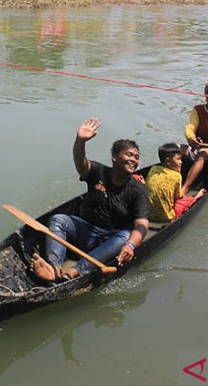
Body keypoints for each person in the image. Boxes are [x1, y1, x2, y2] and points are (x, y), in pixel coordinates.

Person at [30, 118, 150, 283]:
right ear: (114, 157)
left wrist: (130, 246)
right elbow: (80, 162)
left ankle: (74, 271)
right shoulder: (98, 172)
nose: (134, 160)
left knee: (126, 237)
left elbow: (142, 226)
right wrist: (80, 141)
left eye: (136, 157)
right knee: (58, 219)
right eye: (129, 154)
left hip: (112, 239)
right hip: (86, 231)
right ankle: (53, 268)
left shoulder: (138, 190)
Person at [146, 142, 205, 223]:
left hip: (146, 214)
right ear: (168, 161)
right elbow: (179, 197)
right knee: (187, 200)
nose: (181, 162)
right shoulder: (177, 176)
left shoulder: (153, 169)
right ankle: (196, 197)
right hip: (166, 217)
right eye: (178, 159)